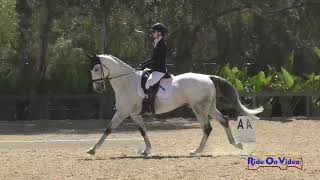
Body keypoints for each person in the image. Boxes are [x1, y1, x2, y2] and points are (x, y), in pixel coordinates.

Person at [140, 23, 167, 114]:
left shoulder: (161, 44)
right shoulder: (157, 42)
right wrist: (144, 63)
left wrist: (147, 64)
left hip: (159, 70)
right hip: (155, 68)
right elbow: (153, 58)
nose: (152, 33)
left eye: (154, 32)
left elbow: (157, 60)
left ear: (159, 33)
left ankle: (151, 107)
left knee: (148, 83)